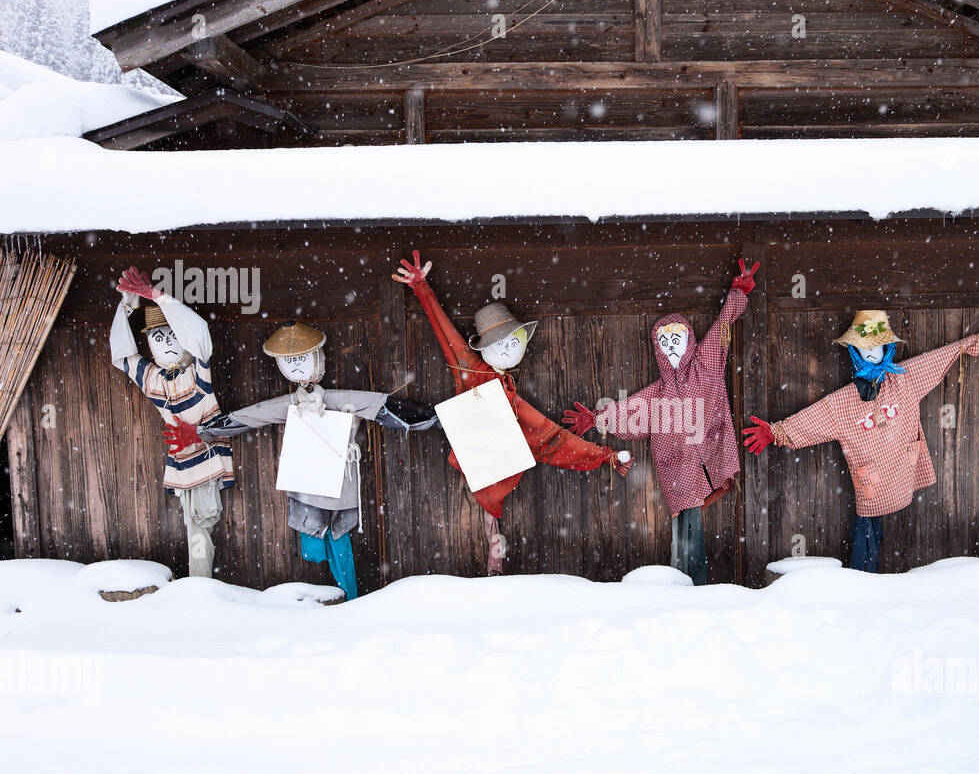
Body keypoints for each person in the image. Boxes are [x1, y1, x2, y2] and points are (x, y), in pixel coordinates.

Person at [390, 250, 631, 575]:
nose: (508, 350)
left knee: (495, 525)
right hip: (475, 465)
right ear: (483, 347)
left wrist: (604, 455)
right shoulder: (471, 370)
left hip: (496, 464)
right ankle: (493, 568)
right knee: (483, 527)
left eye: (513, 342)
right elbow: (446, 334)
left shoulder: (510, 396)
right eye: (500, 344)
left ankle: (496, 569)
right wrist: (422, 289)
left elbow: (551, 438)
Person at [164, 321, 441, 600]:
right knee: (317, 545)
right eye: (290, 361)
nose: (296, 366)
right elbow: (253, 416)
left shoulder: (344, 399)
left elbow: (385, 407)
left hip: (339, 481)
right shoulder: (290, 404)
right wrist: (203, 432)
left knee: (339, 539)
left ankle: (351, 598)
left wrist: (437, 418)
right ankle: (335, 598)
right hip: (307, 481)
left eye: (301, 359)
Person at [743, 311, 979, 572]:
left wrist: (973, 342)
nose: (871, 353)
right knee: (867, 537)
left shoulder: (904, 380)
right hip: (872, 485)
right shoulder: (843, 403)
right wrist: (777, 432)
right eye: (864, 348)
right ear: (854, 353)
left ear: (888, 349)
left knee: (903, 535)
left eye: (878, 347)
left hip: (904, 472)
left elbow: (936, 360)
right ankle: (864, 580)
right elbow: (813, 419)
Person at [561, 258, 759, 585]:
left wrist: (737, 294)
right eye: (664, 344)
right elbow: (629, 410)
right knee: (684, 534)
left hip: (710, 453)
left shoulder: (705, 365)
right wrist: (598, 419)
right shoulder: (657, 394)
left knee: (693, 531)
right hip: (678, 471)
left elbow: (723, 325)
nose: (671, 349)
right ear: (657, 350)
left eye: (676, 340)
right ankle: (685, 585)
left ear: (689, 341)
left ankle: (696, 587)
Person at [109, 266, 234, 578]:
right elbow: (122, 356)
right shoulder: (153, 377)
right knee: (193, 525)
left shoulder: (196, 372)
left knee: (201, 525)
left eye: (170, 336)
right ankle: (198, 582)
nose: (165, 343)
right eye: (157, 337)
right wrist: (125, 306)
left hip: (207, 455)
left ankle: (200, 583)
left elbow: (199, 335)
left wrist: (157, 297)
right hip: (180, 458)